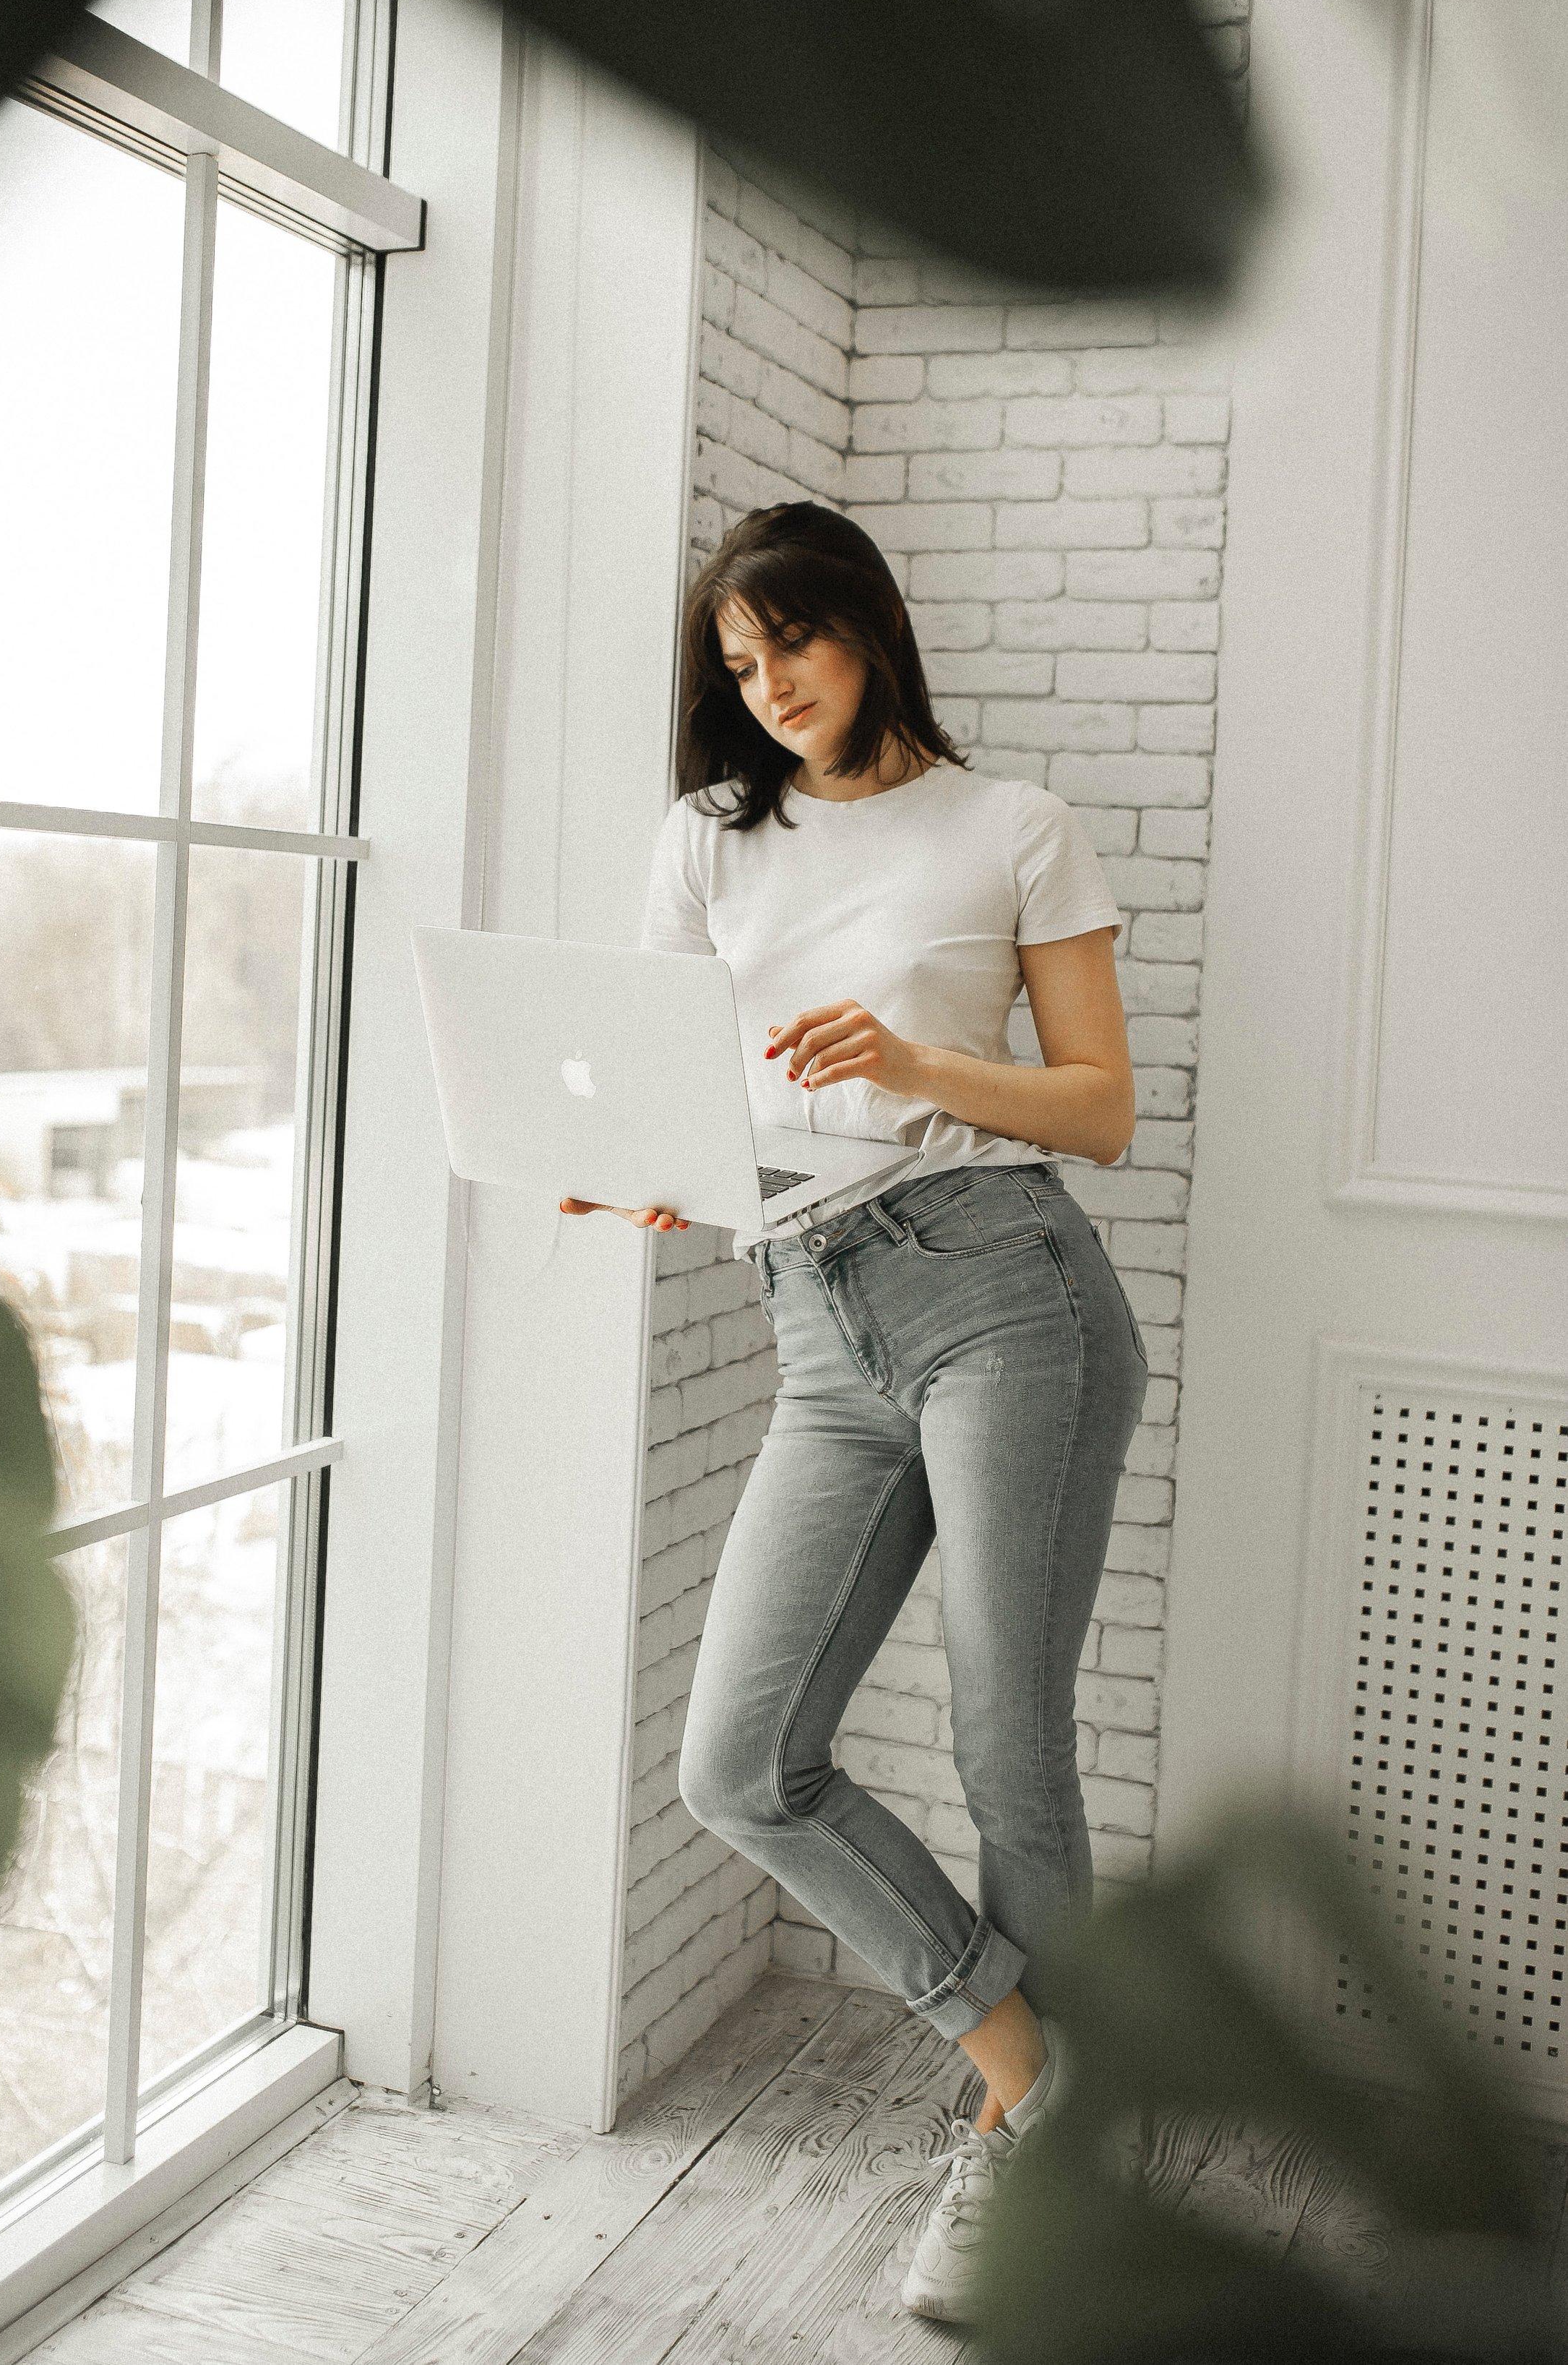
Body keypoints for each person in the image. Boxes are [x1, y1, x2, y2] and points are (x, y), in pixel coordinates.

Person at [561, 499, 1150, 2327]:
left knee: (1003, 1740)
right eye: (735, 668)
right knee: (737, 1763)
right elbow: (680, 1082)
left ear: (864, 627)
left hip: (999, 1284)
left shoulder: (1009, 826)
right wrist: (658, 1166)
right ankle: (1054, 2072)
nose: (768, 688)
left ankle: (1026, 2148)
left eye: (789, 646)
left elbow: (1098, 1111)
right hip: (813, 1310)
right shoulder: (706, 843)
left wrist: (906, 1059)